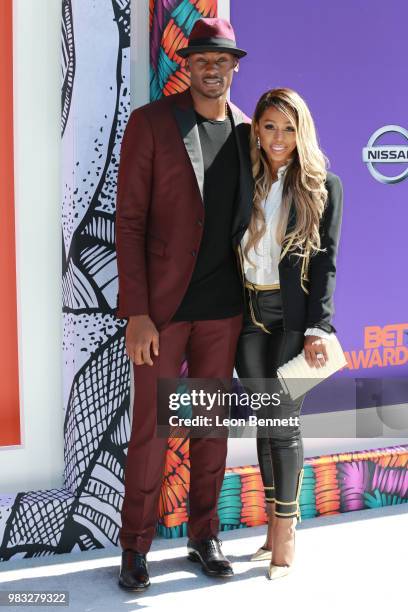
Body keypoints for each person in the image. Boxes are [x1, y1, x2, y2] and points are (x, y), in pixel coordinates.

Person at [115, 18, 253, 590]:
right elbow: (129, 223)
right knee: (150, 429)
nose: (212, 68)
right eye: (202, 59)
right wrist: (138, 313)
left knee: (211, 429)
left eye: (222, 60)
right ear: (186, 65)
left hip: (224, 310)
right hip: (163, 314)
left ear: (234, 67)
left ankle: (204, 536)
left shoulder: (249, 131)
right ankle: (135, 547)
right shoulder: (150, 124)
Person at [235, 88, 343, 580]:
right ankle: (268, 532)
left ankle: (285, 534)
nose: (279, 138)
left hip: (292, 320)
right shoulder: (245, 179)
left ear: (302, 131)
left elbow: (326, 265)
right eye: (269, 126)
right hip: (247, 314)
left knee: (284, 424)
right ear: (256, 128)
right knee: (264, 423)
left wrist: (319, 326)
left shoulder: (323, 187)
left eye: (288, 127)